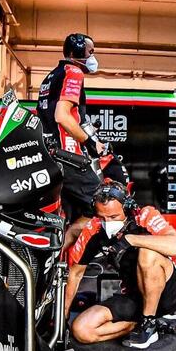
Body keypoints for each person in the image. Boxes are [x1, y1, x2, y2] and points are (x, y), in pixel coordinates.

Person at [66, 180, 176, 350]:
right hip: (134, 296)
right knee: (81, 330)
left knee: (147, 252)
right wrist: (62, 318)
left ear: (127, 208)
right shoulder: (94, 228)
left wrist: (130, 240)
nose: (107, 223)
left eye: (113, 217)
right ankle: (150, 324)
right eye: (102, 217)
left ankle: (148, 323)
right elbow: (75, 273)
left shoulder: (145, 216)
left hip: (170, 293)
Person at [36, 32, 104, 232]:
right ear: (77, 52)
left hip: (50, 154)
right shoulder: (73, 72)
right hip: (68, 156)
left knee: (67, 215)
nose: (92, 57)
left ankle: (64, 250)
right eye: (90, 52)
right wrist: (90, 143)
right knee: (105, 204)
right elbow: (62, 116)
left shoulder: (51, 76)